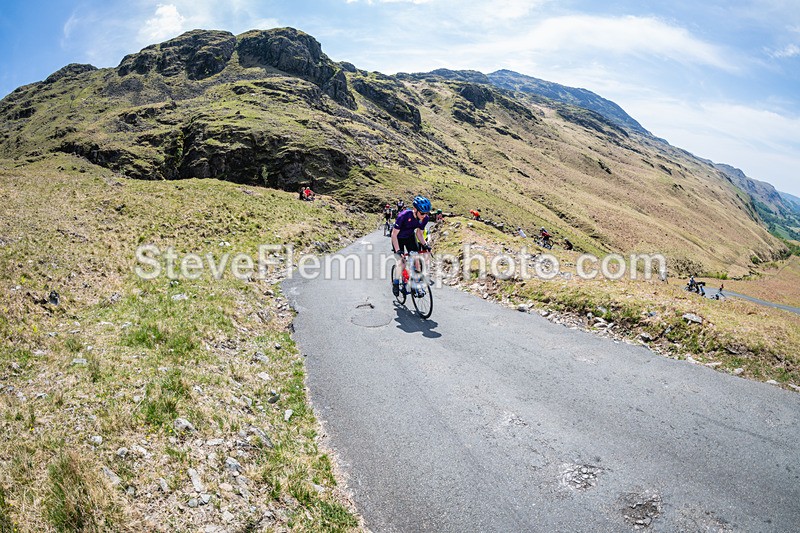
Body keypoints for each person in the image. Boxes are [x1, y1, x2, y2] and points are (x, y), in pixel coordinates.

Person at [391, 196, 431, 296]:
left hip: (410, 237)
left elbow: (419, 233)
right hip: (398, 238)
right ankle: (396, 282)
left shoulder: (424, 219)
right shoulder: (403, 216)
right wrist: (398, 251)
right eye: (422, 213)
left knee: (416, 259)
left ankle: (417, 285)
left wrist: (425, 244)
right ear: (415, 210)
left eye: (426, 213)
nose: (424, 216)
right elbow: (394, 235)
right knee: (402, 263)